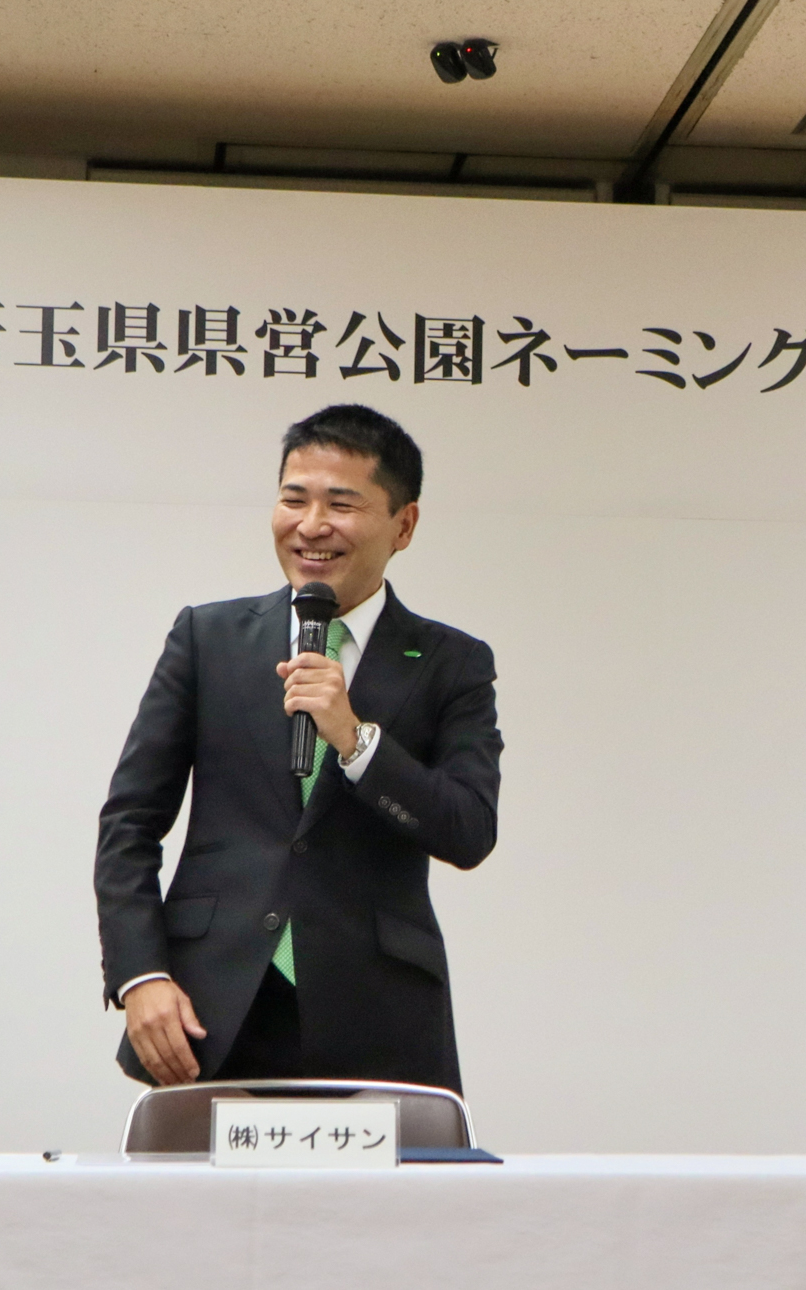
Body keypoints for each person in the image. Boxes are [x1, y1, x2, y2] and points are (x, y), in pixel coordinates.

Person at [94, 404, 501, 1090]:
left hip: (379, 1017)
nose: (311, 525)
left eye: (341, 504)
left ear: (403, 525)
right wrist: (141, 975)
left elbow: (467, 830)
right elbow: (130, 823)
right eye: (293, 499)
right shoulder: (208, 638)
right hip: (207, 1013)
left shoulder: (450, 662)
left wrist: (356, 740)